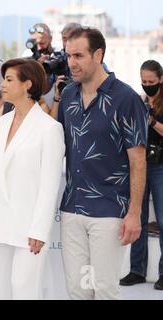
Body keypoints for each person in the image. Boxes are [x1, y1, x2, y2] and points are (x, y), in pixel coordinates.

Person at [58, 27, 148, 299]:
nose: (71, 62)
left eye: (78, 55)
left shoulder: (126, 98)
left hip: (110, 211)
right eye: (68, 55)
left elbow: (138, 161)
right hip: (72, 208)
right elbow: (59, 147)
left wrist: (134, 214)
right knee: (79, 290)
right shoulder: (67, 96)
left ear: (98, 55)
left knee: (105, 290)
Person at [0, 58, 65, 299]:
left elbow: (50, 186)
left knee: (24, 289)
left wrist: (39, 231)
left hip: (30, 227)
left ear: (28, 84)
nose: (1, 85)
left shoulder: (49, 129)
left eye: (8, 80)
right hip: (0, 222)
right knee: (3, 291)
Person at [120, 60, 163, 290]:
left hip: (160, 166)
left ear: (161, 79)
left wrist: (152, 120)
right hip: (139, 164)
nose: (147, 85)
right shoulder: (138, 100)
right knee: (138, 217)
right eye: (144, 81)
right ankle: (137, 269)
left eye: (151, 82)